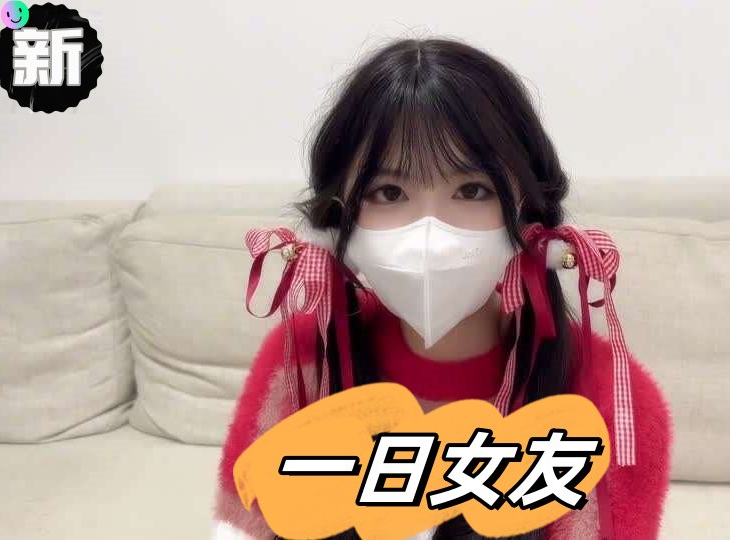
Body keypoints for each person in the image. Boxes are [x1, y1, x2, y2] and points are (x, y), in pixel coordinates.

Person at [212, 37, 672, 539]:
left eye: (471, 190)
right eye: (389, 192)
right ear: (335, 220)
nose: (429, 232)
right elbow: (240, 525)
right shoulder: (302, 361)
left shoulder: (613, 396)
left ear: (531, 215)